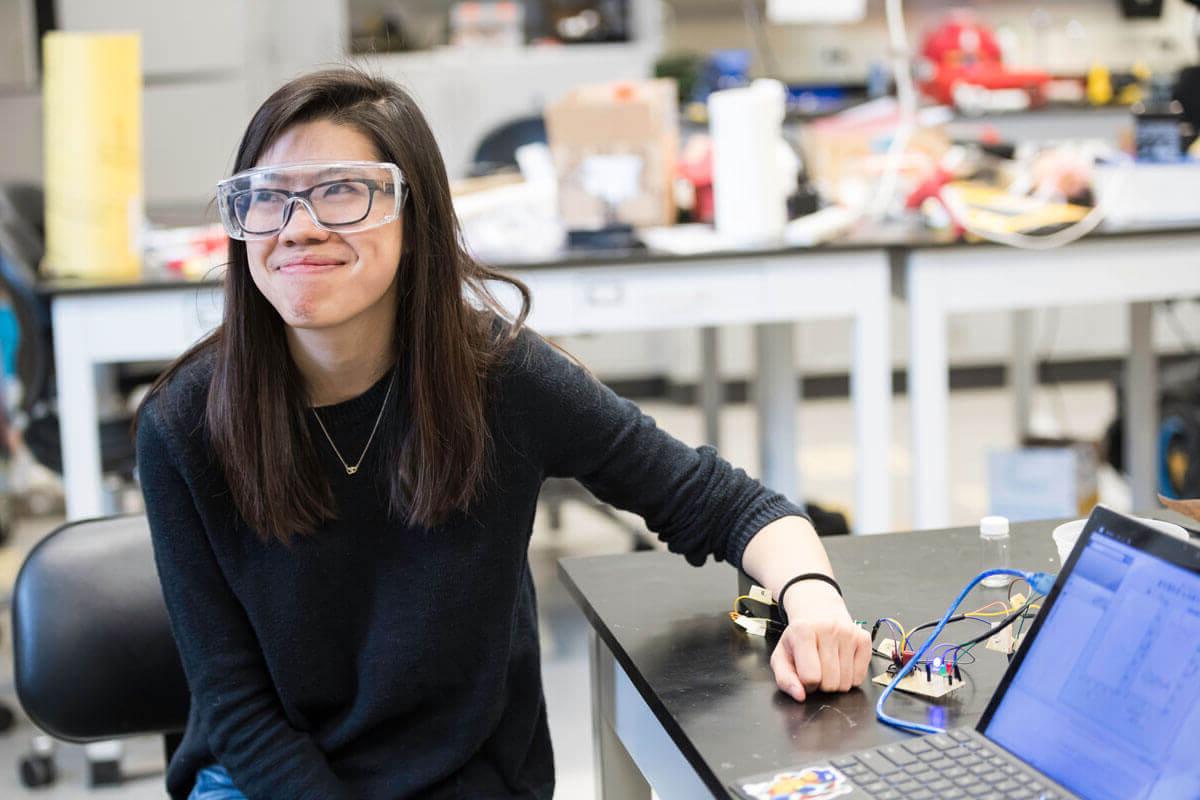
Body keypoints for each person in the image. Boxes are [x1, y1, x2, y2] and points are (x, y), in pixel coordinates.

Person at [135, 67, 871, 800]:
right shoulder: (184, 425)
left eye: (340, 190)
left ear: (413, 215)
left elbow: (729, 505)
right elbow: (234, 705)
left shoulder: (500, 379)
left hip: (464, 774)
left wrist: (814, 600)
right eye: (267, 197)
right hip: (267, 779)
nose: (299, 226)